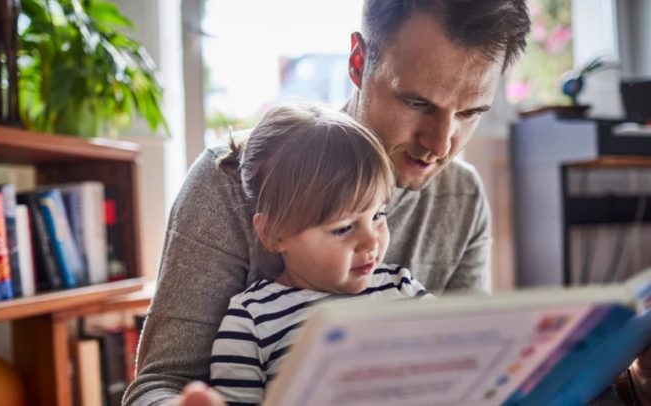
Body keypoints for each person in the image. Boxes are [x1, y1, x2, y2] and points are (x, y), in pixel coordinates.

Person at [123, 1, 651, 405]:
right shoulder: (230, 179)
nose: (439, 144)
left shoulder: (461, 196)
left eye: (471, 112)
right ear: (359, 61)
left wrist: (629, 384)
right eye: (418, 102)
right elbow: (156, 385)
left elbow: (475, 377)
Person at [209, 103, 433, 404]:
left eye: (378, 215)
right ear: (274, 234)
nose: (371, 242)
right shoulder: (251, 321)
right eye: (343, 228)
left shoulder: (401, 288)